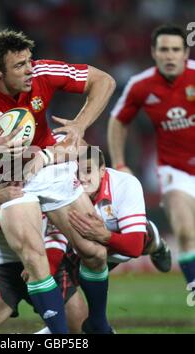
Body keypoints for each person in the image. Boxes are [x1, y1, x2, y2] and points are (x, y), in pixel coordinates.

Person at [0, 29, 116, 333]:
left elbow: (104, 80)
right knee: (33, 256)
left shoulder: (42, 72)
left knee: (95, 251)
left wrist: (79, 125)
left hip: (47, 167)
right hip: (8, 177)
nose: (30, 69)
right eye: (19, 66)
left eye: (29, 61)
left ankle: (97, 322)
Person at [0, 147, 171, 334]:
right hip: (2, 265)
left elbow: (57, 227)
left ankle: (153, 241)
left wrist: (49, 267)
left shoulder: (44, 158)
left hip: (48, 258)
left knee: (105, 251)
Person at [0, 160, 87, 334]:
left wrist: (51, 261)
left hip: (44, 259)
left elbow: (61, 218)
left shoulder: (45, 157)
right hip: (1, 266)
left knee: (80, 330)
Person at [107, 24, 195, 289]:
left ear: (185, 52)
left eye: (175, 50)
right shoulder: (141, 85)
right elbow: (117, 120)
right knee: (184, 230)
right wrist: (119, 162)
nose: (170, 56)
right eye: (164, 50)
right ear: (154, 53)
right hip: (174, 169)